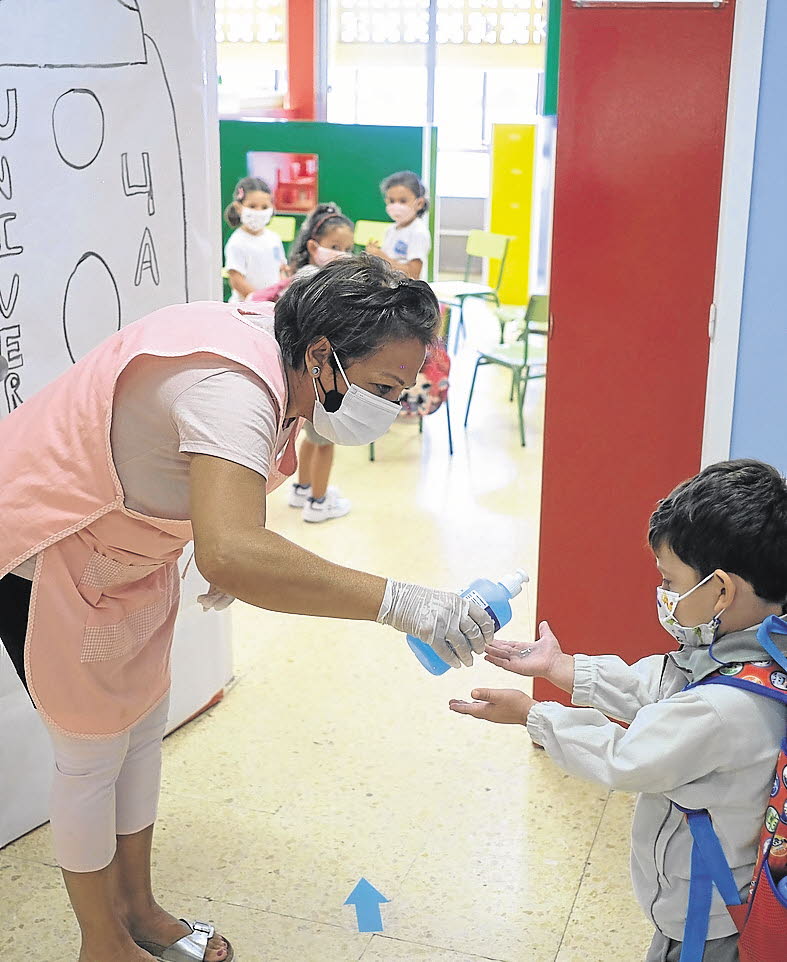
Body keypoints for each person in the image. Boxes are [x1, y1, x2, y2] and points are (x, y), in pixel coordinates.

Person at [0, 255, 494, 962]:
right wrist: (401, 603)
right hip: (48, 550)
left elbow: (215, 494)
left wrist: (218, 535)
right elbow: (235, 548)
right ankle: (100, 944)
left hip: (128, 554)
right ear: (323, 355)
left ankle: (138, 907)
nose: (390, 407)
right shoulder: (229, 384)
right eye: (384, 386)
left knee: (139, 730)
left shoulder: (286, 349)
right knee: (89, 754)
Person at [450, 460, 787, 962]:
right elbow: (661, 686)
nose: (666, 596)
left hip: (707, 921)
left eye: (671, 582)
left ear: (720, 590)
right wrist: (564, 669)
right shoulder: (758, 652)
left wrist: (534, 716)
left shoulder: (724, 710)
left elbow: (627, 756)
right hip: (720, 897)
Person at [285, 203, 356, 522]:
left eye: (348, 249)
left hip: (303, 376)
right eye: (335, 247)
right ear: (314, 247)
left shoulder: (302, 275)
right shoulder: (321, 283)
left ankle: (302, 488)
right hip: (323, 378)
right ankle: (318, 501)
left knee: (311, 436)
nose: (343, 254)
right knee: (326, 441)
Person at [223, 176, 287, 303]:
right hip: (245, 307)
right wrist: (258, 299)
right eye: (252, 206)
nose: (259, 211)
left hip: (271, 306)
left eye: (264, 207)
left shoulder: (274, 239)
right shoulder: (237, 242)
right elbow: (236, 279)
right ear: (238, 207)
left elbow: (281, 269)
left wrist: (280, 295)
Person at [366, 170, 431, 280]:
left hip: (408, 291)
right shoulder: (391, 230)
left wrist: (381, 257)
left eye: (403, 201)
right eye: (392, 201)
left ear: (419, 203)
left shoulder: (418, 232)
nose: (396, 206)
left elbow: (413, 274)